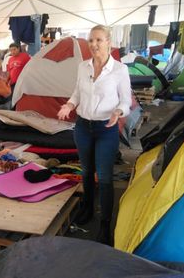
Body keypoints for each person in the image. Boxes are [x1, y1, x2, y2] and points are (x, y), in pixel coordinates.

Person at [57, 25, 132, 246]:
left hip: (106, 128)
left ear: (109, 42)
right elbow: (77, 92)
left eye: (98, 40)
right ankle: (87, 208)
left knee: (106, 177)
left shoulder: (119, 70)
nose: (93, 45)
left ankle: (105, 224)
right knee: (87, 171)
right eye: (91, 40)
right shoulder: (83, 67)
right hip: (83, 126)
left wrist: (118, 111)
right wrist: (69, 105)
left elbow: (126, 101)